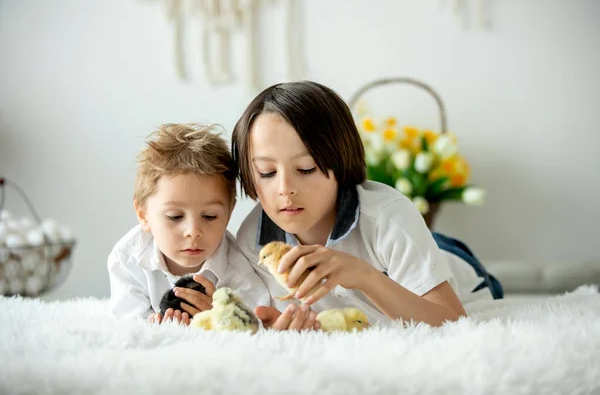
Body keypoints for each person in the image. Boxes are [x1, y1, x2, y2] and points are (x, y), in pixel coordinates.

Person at [231, 81, 503, 329]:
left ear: (340, 161)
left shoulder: (387, 216)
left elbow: (451, 320)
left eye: (306, 168)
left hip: (450, 259)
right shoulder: (252, 240)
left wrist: (363, 275)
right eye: (266, 172)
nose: (284, 188)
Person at [108, 123, 269, 324]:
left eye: (209, 216)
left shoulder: (238, 268)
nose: (193, 232)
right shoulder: (127, 258)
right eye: (175, 217)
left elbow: (257, 324)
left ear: (229, 213)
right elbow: (127, 321)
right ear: (144, 216)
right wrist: (155, 324)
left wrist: (219, 315)